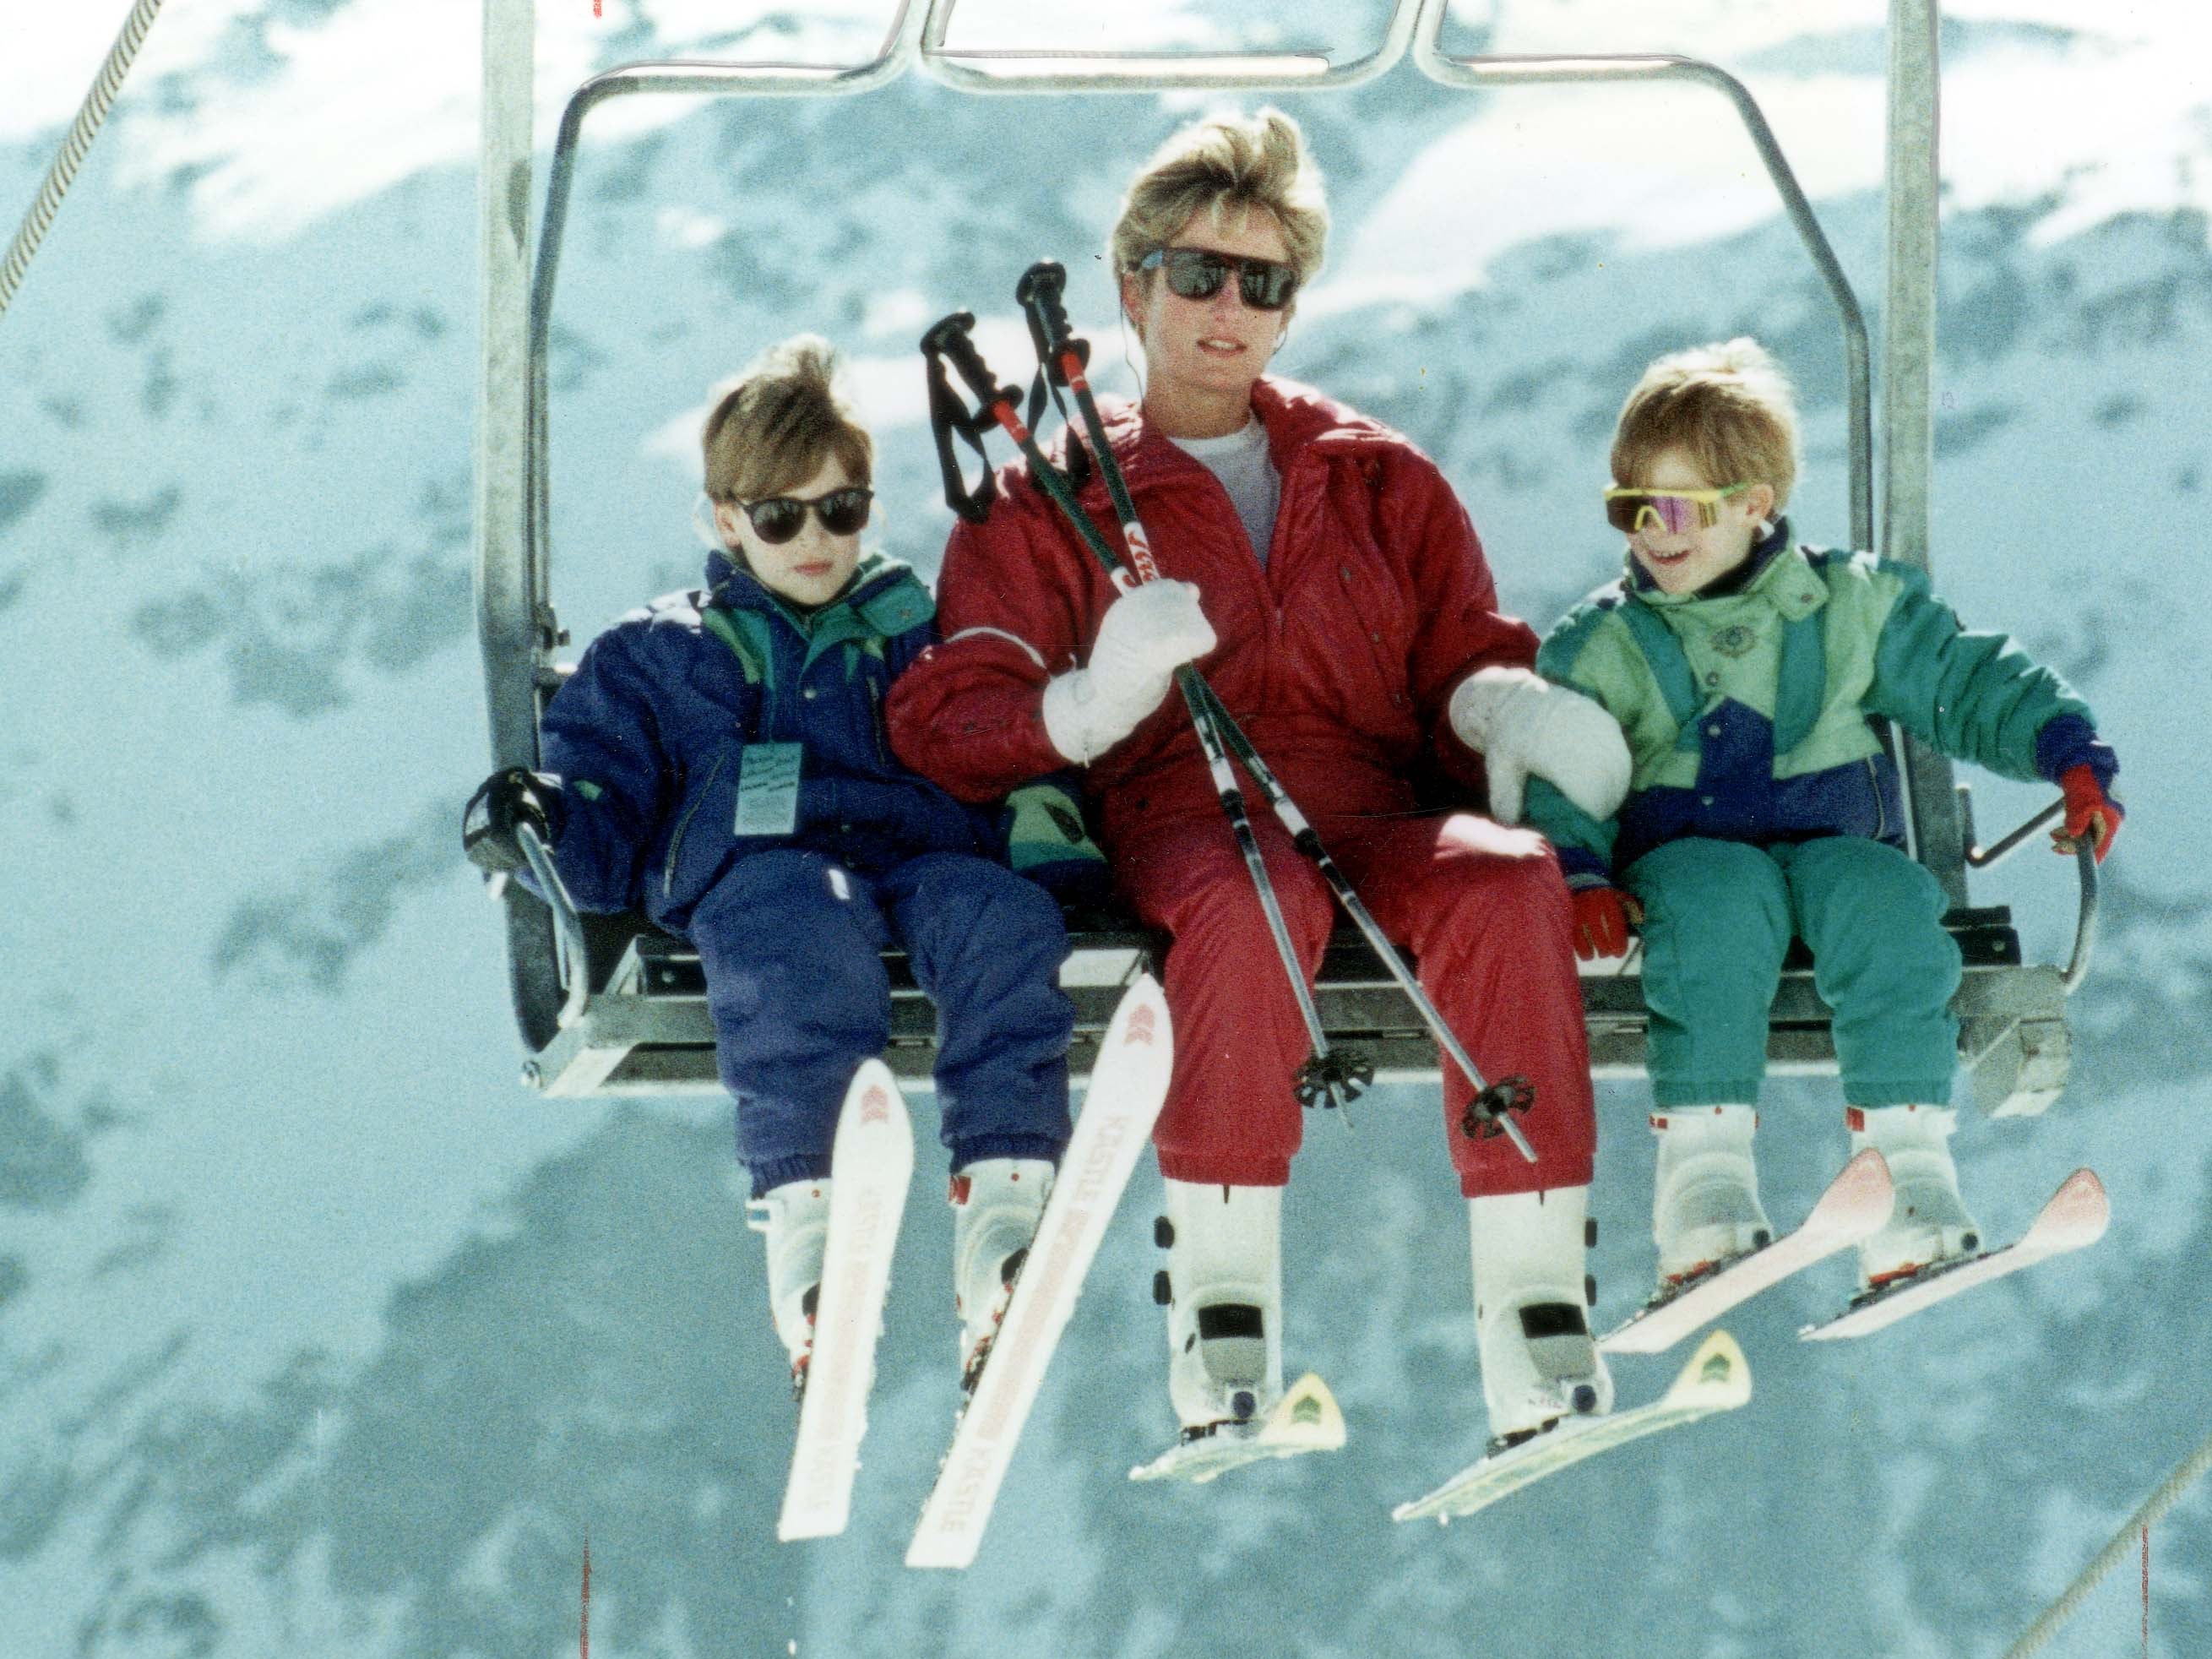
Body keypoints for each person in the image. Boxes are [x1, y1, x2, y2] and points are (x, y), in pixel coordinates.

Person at [886, 111, 1634, 1454]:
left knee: (1506, 883)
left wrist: (1499, 706)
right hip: (1179, 807)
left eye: (1262, 282)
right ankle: (1222, 1304)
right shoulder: (1047, 500)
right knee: (1243, 899)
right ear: (1130, 287)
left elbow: (1461, 647)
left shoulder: (1376, 479)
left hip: (1373, 805)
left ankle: (1536, 1303)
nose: (1226, 309)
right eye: (1195, 274)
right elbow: (952, 713)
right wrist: (1089, 699)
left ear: (1291, 309)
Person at [462, 336, 1079, 1397]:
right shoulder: (662, 658)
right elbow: (603, 813)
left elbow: (1003, 737)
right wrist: (546, 821)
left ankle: (1007, 1213)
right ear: (724, 519)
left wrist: (1049, 832)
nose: (814, 540)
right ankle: (812, 1229)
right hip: (767, 877)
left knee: (1002, 918)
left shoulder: (923, 630)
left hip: (919, 858)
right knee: (796, 929)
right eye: (781, 515)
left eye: (839, 510)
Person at [1522, 337, 2123, 1298]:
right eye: (1628, 508)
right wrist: (1578, 873)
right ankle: (1705, 1183)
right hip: (1686, 862)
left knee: (1891, 903)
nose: (1649, 534)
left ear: (1755, 504)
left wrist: (2067, 752)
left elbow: (1964, 679)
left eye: (1674, 508)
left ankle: (1912, 1172)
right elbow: (1559, 771)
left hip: (1837, 848)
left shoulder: (1849, 606)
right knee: (1716, 905)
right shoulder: (1607, 644)